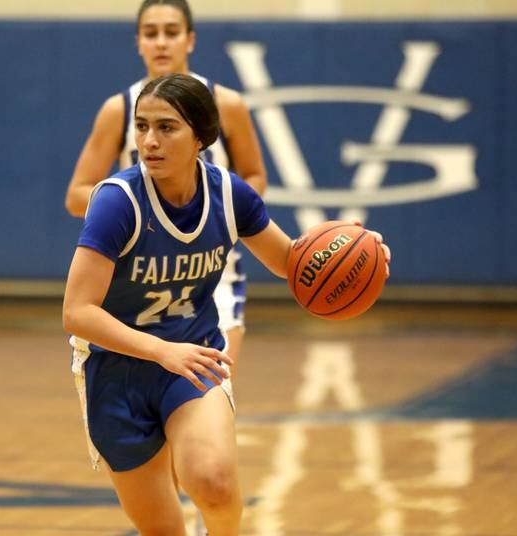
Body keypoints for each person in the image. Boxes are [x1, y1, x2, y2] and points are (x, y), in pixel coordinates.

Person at [62, 74, 391, 536]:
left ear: (201, 137)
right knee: (162, 529)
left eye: (167, 128)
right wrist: (159, 351)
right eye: (141, 127)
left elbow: (290, 261)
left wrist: (354, 247)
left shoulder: (229, 193)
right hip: (116, 371)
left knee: (213, 482)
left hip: (193, 359)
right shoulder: (118, 201)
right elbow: (76, 312)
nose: (149, 141)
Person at [65, 0, 266, 377]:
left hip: (211, 268)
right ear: (138, 42)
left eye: (171, 33)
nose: (161, 43)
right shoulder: (119, 110)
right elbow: (76, 194)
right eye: (150, 33)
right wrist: (128, 206)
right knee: (154, 403)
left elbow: (255, 177)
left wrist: (219, 209)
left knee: (212, 382)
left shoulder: (228, 104)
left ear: (190, 40)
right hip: (142, 269)